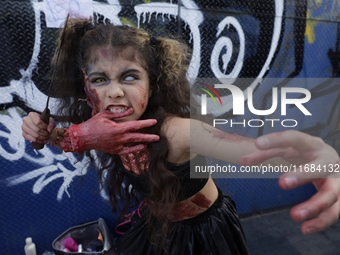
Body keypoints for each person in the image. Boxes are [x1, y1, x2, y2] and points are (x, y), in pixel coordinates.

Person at [21, 17, 340, 255]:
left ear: (153, 83)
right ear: (85, 90)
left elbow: (257, 153)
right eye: (100, 79)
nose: (115, 92)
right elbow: (54, 137)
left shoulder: (177, 132)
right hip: (154, 224)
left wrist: (321, 161)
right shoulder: (97, 122)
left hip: (203, 234)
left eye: (130, 77)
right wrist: (38, 129)